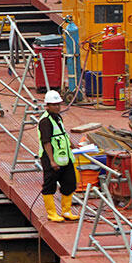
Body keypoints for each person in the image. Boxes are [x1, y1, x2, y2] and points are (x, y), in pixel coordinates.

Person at [38, 90, 79, 223]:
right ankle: (52, 213)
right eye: (54, 105)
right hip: (52, 159)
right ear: (47, 106)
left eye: (58, 104)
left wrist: (73, 147)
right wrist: (52, 161)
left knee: (70, 183)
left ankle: (66, 211)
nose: (57, 107)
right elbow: (46, 142)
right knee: (49, 185)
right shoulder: (45, 121)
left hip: (65, 157)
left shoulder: (58, 117)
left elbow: (63, 136)